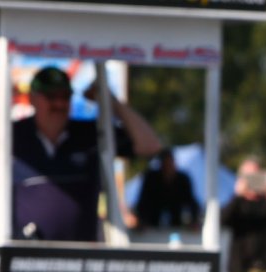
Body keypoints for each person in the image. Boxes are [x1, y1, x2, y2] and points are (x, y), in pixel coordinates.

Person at [12, 65, 162, 242]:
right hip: (22, 256)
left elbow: (150, 145)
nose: (59, 104)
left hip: (82, 258)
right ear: (33, 99)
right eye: (51, 97)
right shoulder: (11, 135)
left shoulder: (89, 134)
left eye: (65, 97)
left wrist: (111, 102)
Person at [130, 147, 200, 230]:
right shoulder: (151, 178)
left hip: (177, 222)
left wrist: (194, 220)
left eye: (170, 163)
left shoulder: (183, 179)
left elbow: (191, 201)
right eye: (165, 163)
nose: (168, 167)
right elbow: (143, 201)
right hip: (153, 223)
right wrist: (142, 220)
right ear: (161, 164)